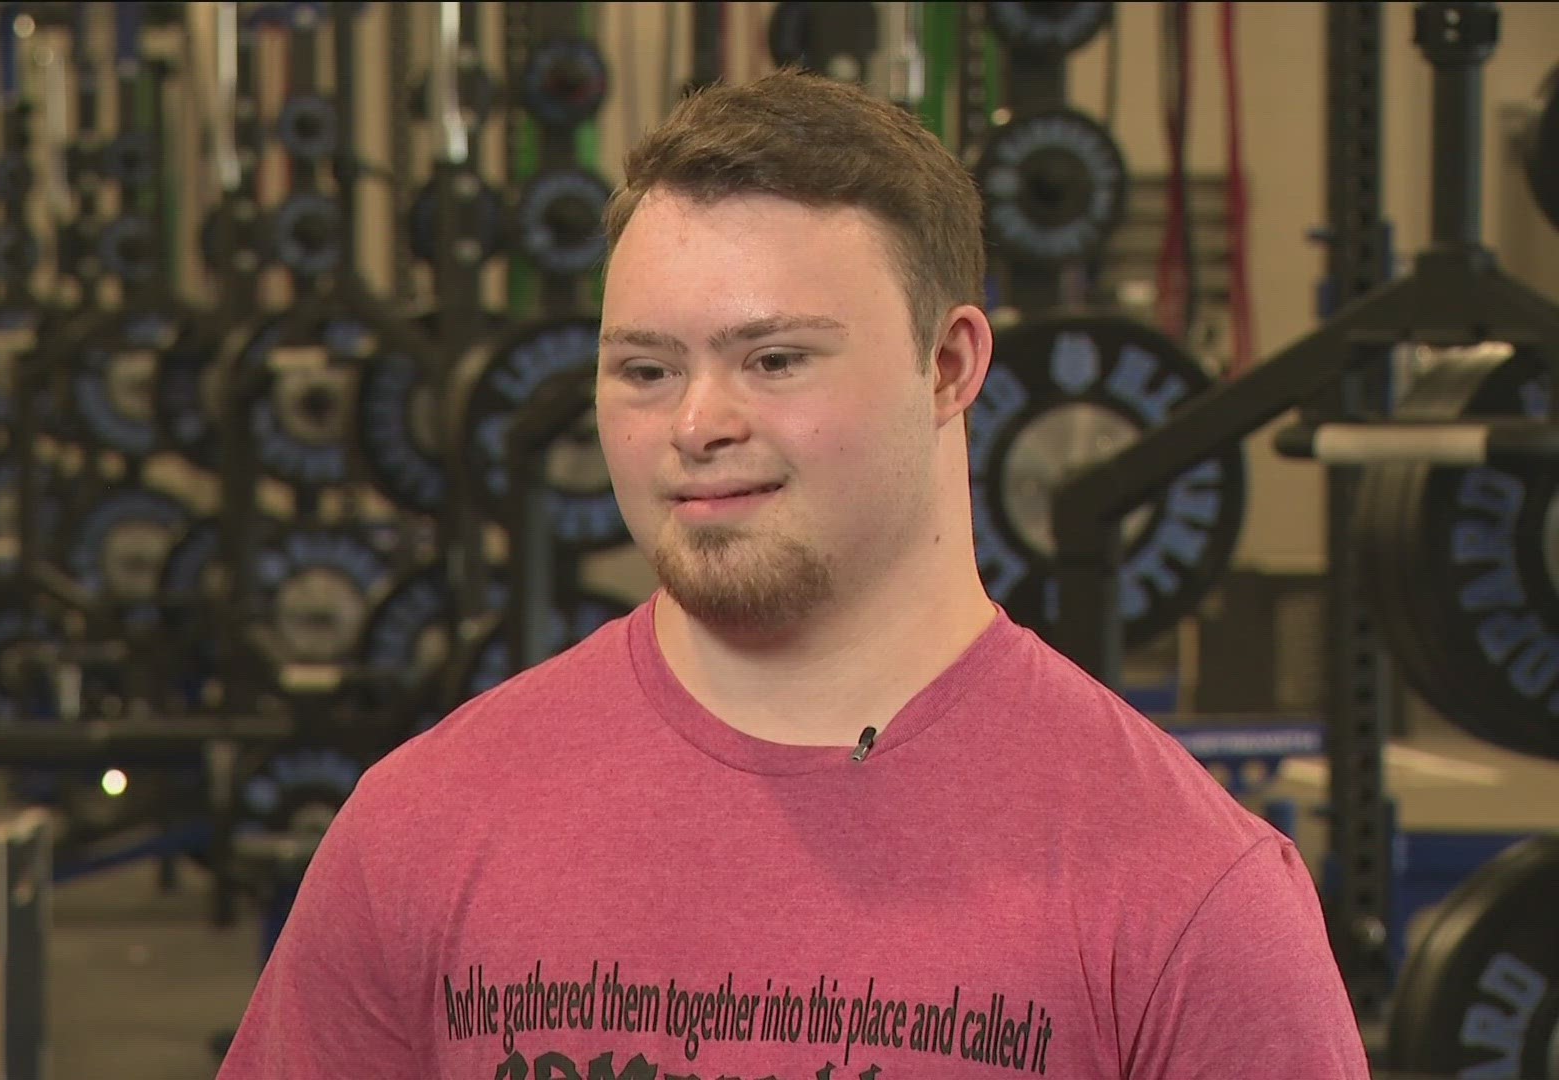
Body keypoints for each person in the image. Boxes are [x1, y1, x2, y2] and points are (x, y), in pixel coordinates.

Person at [218, 69, 1371, 1080]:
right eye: (645, 369)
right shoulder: (424, 826)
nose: (699, 422)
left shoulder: (1187, 893)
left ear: (949, 364)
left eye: (775, 358)